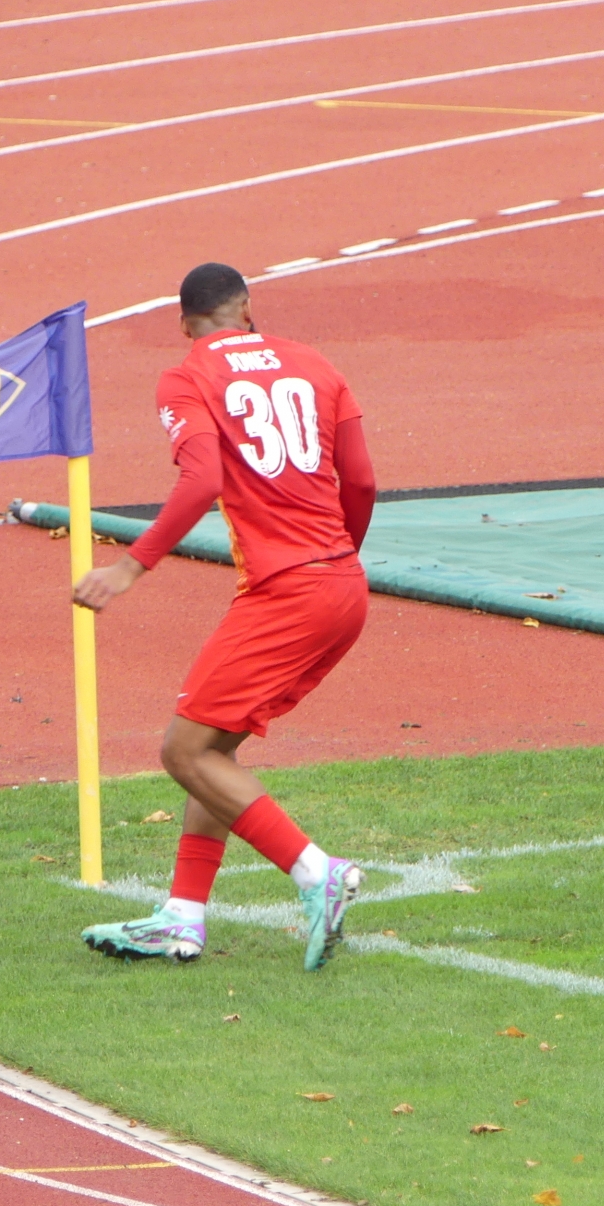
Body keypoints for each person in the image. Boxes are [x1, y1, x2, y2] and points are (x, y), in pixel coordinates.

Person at [73, 263, 377, 971]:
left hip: (285, 592)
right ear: (247, 307)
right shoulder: (316, 363)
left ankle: (317, 873)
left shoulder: (188, 375)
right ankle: (182, 917)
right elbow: (361, 480)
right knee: (212, 749)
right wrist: (338, 559)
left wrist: (129, 567)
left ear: (186, 323)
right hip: (342, 585)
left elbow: (202, 479)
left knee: (182, 752)